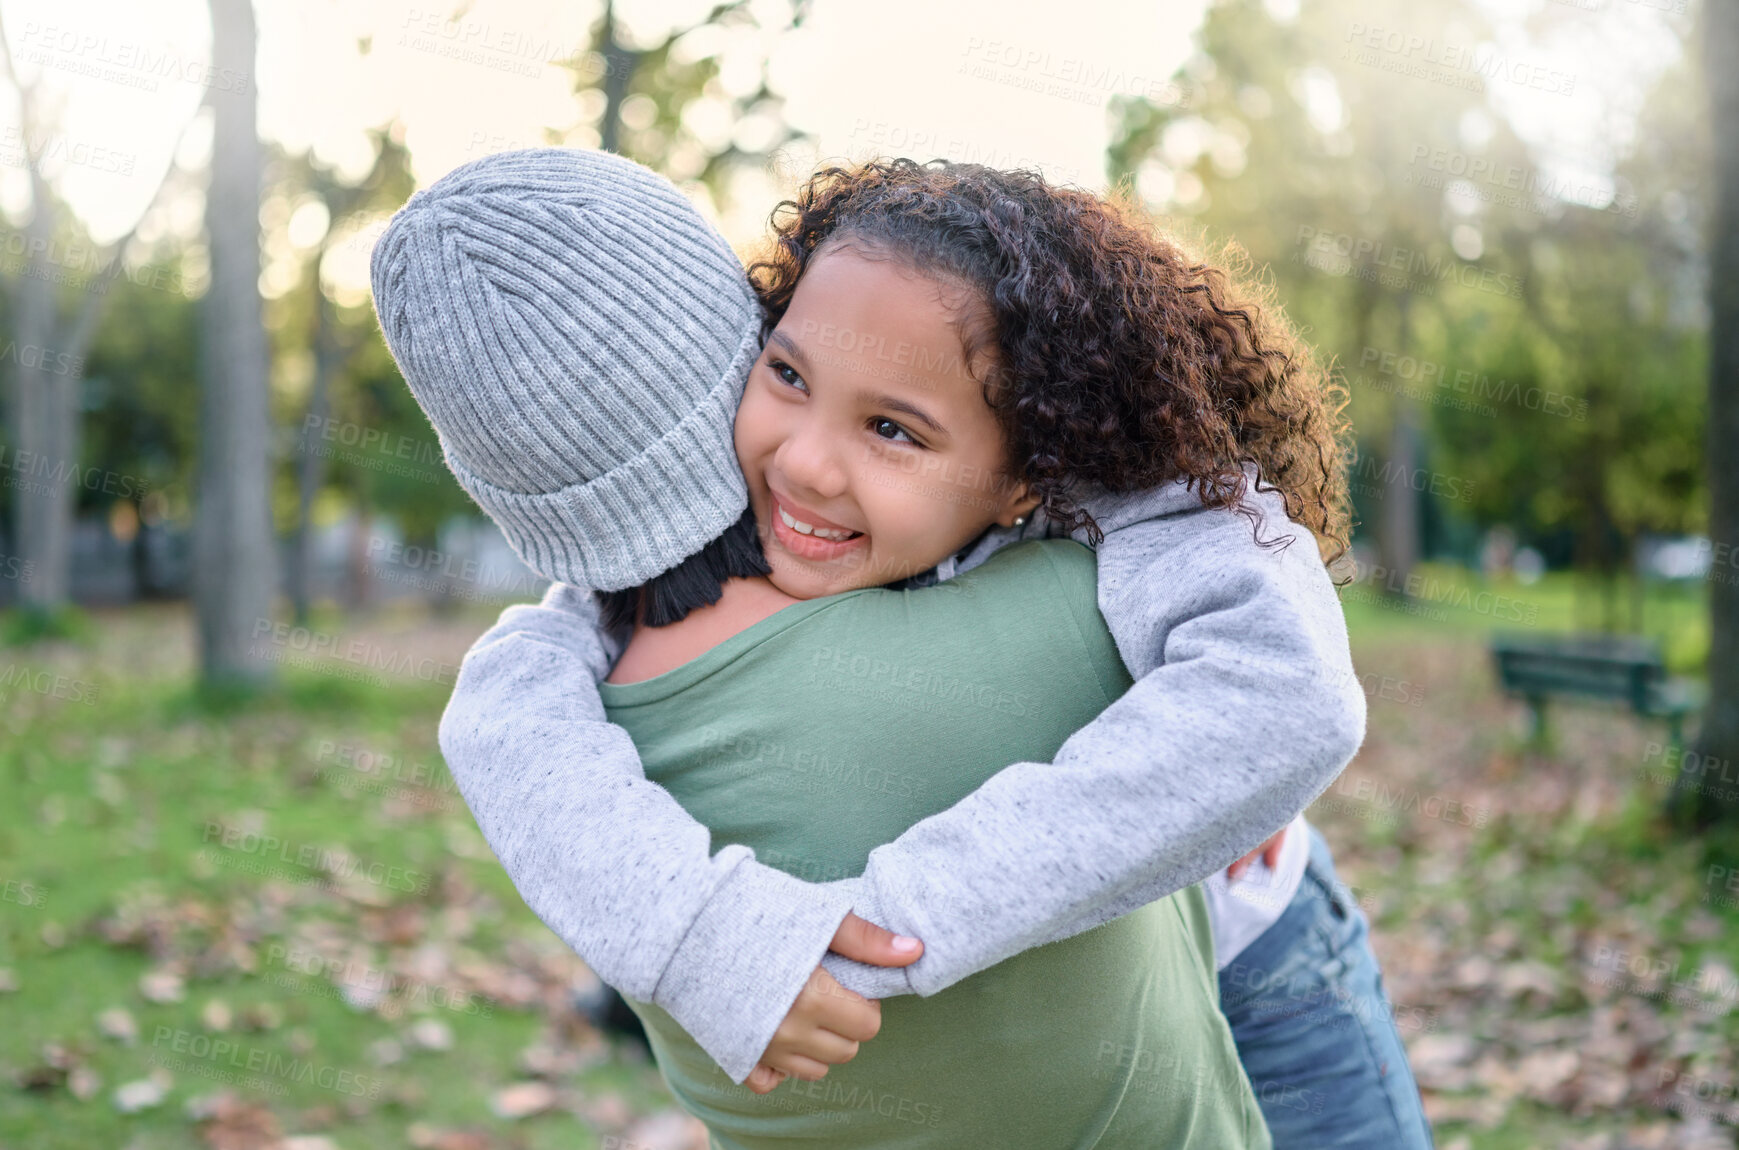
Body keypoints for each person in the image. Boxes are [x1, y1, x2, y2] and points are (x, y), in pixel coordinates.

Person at [371, 147, 1432, 1148]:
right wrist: (714, 939)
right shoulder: (608, 614)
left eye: (892, 431)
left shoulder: (1128, 515)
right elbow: (506, 714)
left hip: (1263, 950)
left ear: (1031, 469)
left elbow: (1287, 693)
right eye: (785, 373)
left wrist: (889, 917)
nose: (807, 464)